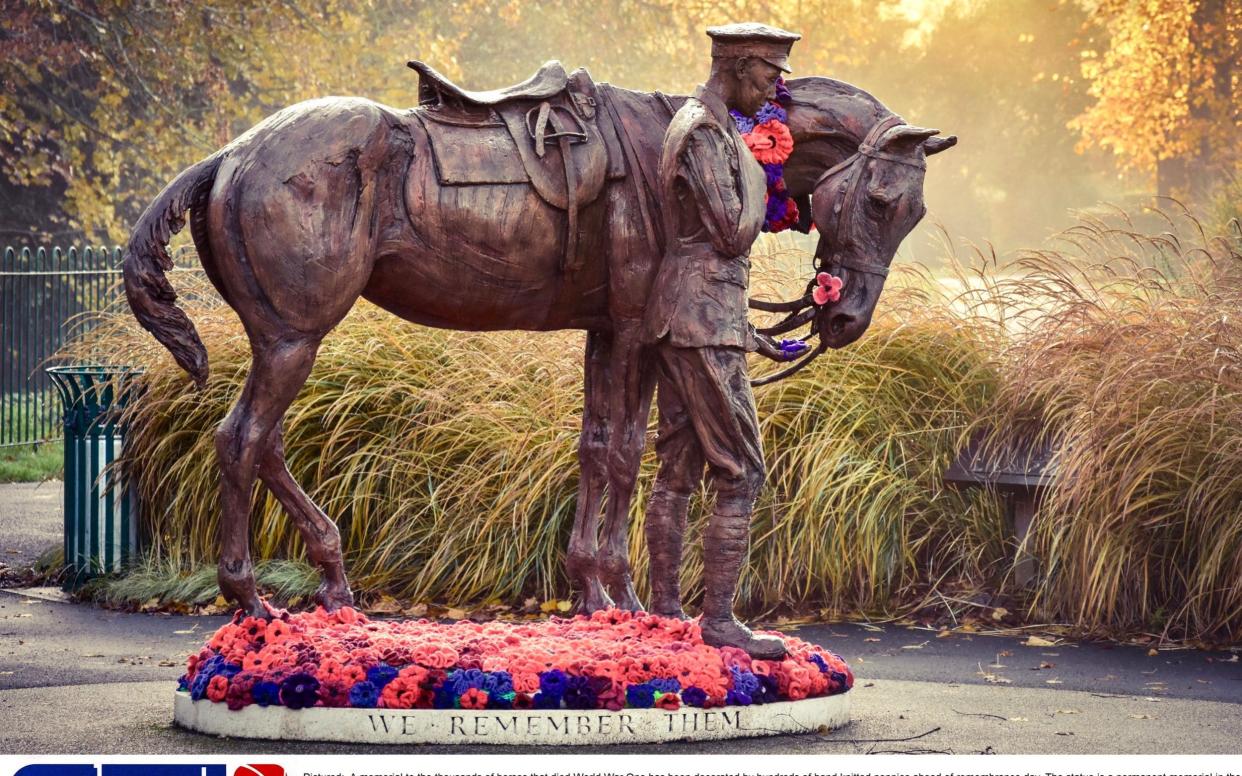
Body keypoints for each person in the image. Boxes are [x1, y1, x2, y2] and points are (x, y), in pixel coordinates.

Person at [642, 22, 801, 660]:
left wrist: (752, 337)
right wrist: (764, 178)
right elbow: (731, 236)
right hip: (699, 320)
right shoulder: (706, 132)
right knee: (741, 471)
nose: (772, 90)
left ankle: (664, 612)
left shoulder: (700, 125)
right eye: (767, 74)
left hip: (696, 319)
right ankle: (719, 622)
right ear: (736, 64)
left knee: (677, 469)